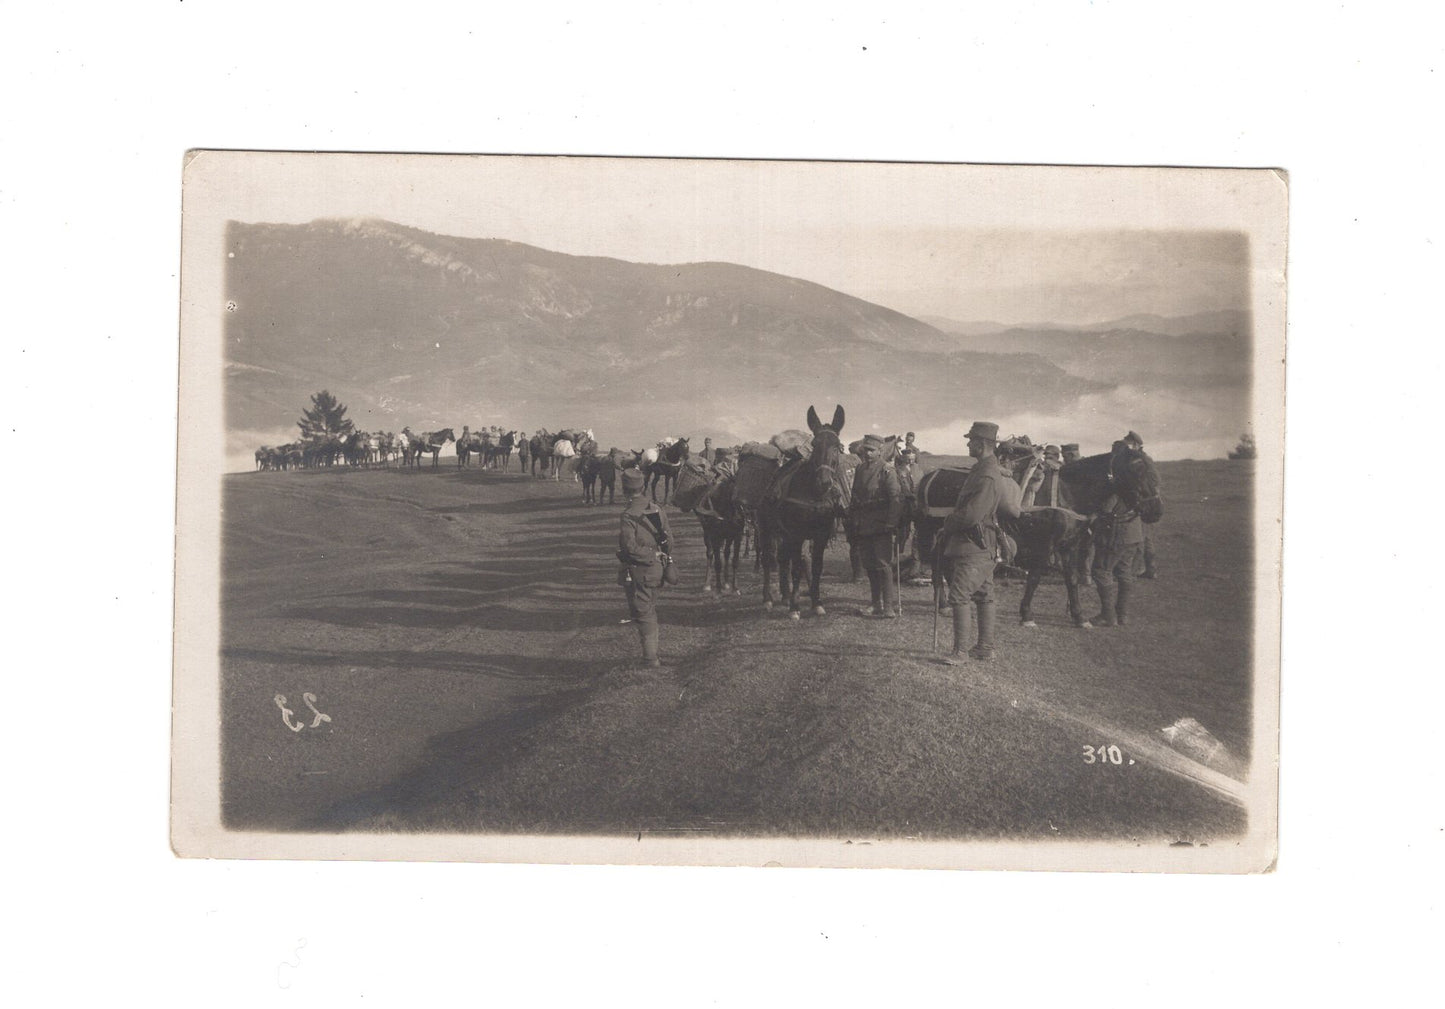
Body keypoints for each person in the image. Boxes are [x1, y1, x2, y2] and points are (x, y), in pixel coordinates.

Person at [936, 421, 1019, 663]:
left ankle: (960, 652)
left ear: (982, 444)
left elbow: (972, 514)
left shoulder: (987, 474)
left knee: (959, 595)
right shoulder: (982, 469)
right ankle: (985, 647)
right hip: (979, 545)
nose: (967, 444)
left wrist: (947, 523)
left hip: (973, 545)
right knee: (984, 595)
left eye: (971, 440)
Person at [617, 468, 674, 667]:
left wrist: (650, 555)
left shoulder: (629, 515)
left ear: (624, 489)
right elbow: (670, 541)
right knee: (649, 609)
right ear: (643, 487)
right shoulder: (657, 509)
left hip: (640, 571)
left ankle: (650, 659)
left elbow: (629, 547)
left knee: (644, 613)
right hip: (658, 570)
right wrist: (659, 554)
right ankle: (649, 656)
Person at [1088, 438, 1146, 627]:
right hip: (1134, 532)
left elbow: (1107, 507)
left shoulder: (1118, 477)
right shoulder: (1139, 473)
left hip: (1116, 533)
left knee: (1101, 570)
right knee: (1123, 571)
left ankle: (1108, 615)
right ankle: (1122, 614)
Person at [848, 433, 904, 618]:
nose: (868, 453)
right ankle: (875, 603)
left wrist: (891, 522)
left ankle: (888, 607)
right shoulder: (860, 469)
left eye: (872, 450)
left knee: (883, 564)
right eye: (866, 450)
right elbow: (855, 495)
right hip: (863, 523)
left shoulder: (887, 470)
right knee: (870, 564)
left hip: (881, 524)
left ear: (880, 451)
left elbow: (895, 499)